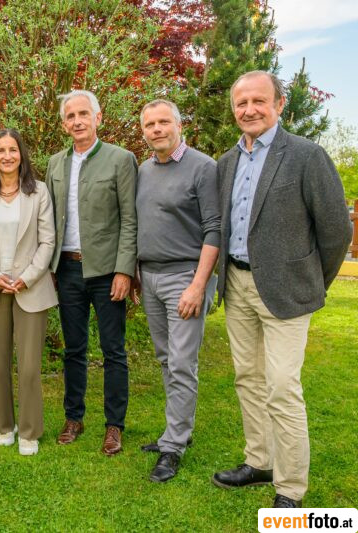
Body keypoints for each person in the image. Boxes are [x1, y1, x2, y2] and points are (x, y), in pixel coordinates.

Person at [212, 71, 351, 508]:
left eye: (258, 100)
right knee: (248, 379)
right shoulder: (226, 162)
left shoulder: (307, 156)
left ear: (279, 104)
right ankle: (260, 461)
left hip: (287, 291)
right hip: (237, 284)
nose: (249, 109)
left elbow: (336, 231)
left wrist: (312, 280)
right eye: (241, 103)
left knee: (282, 387)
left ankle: (290, 488)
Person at [45, 89, 138, 455]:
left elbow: (130, 219)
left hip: (107, 271)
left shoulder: (120, 159)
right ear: (63, 123)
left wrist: (124, 270)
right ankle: (74, 417)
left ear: (98, 118)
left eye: (84, 114)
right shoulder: (56, 163)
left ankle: (114, 425)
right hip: (67, 269)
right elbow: (49, 218)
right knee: (74, 349)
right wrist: (49, 266)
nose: (77, 121)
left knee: (113, 350)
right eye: (70, 116)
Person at [134, 99, 220, 482]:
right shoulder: (144, 170)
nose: (157, 129)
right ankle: (177, 430)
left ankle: (173, 447)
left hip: (185, 277)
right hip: (150, 277)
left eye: (163, 122)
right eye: (149, 124)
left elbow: (215, 229)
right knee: (166, 359)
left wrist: (198, 285)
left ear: (179, 125)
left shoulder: (203, 168)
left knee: (183, 362)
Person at [0, 129, 57, 456]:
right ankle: (4, 426)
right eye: (1, 150)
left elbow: (48, 240)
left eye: (13, 150)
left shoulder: (39, 192)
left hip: (30, 287)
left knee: (30, 367)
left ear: (22, 155)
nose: (7, 156)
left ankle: (30, 431)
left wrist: (27, 277)